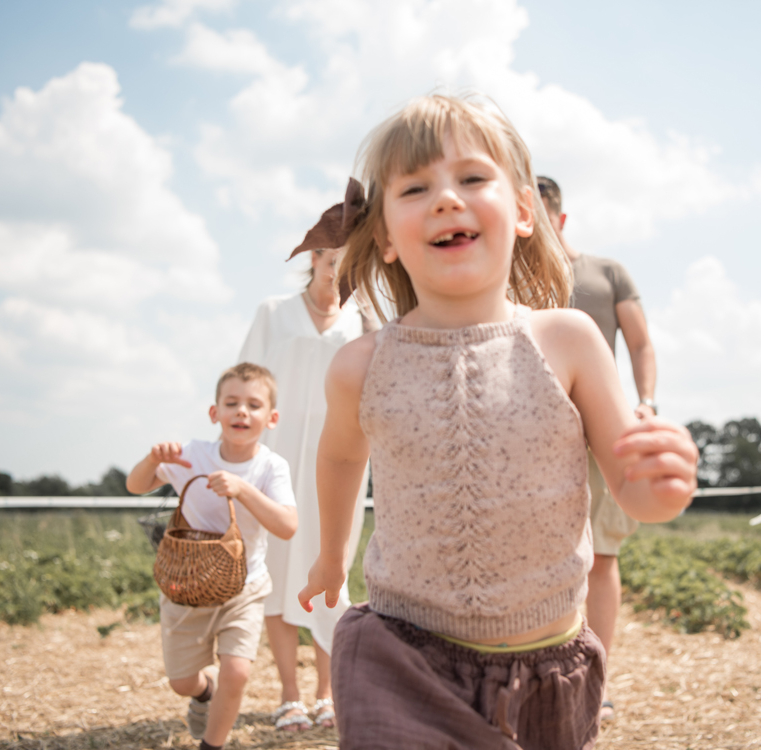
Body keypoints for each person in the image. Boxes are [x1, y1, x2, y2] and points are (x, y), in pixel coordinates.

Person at [297, 94, 699, 750]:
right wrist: (332, 554)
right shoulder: (361, 366)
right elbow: (341, 457)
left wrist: (663, 486)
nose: (447, 199)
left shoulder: (566, 340)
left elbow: (628, 485)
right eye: (416, 188)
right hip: (401, 655)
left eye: (473, 178)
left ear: (523, 211)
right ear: (387, 240)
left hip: (548, 669)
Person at [126, 363, 299, 750]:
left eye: (254, 405)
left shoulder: (271, 466)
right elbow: (135, 486)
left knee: (237, 671)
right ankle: (204, 693)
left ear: (271, 418)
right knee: (181, 682)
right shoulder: (193, 455)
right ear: (214, 413)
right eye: (232, 402)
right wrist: (153, 460)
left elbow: (288, 525)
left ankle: (212, 745)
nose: (242, 411)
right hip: (185, 587)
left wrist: (242, 489)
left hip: (245, 586)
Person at [237, 246, 374, 731]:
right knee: (277, 566)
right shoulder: (273, 312)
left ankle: (327, 693)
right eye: (327, 252)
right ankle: (289, 695)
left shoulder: (366, 319)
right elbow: (245, 382)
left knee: (329, 561)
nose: (334, 261)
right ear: (313, 255)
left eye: (345, 253)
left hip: (340, 457)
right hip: (276, 456)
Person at [537, 174, 657, 724]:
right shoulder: (508, 275)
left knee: (602, 555)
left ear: (558, 219)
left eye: (539, 219)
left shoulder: (607, 273)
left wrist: (646, 402)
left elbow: (640, 342)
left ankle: (596, 680)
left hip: (600, 423)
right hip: (535, 430)